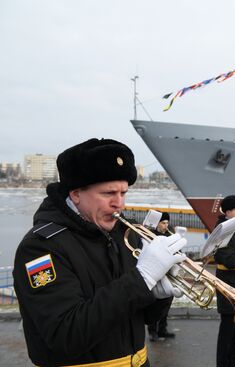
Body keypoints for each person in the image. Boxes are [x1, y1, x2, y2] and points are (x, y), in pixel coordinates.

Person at [13, 138, 187, 367]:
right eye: (108, 193)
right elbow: (65, 336)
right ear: (75, 194)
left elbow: (142, 317)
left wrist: (158, 296)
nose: (119, 204)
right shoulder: (40, 247)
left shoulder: (124, 234)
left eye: (123, 193)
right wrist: (141, 278)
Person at [214, 195, 235, 367]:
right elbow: (228, 260)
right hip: (228, 285)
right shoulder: (221, 231)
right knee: (227, 335)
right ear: (227, 212)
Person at [147, 212, 176, 341]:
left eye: (167, 223)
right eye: (163, 223)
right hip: (154, 273)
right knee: (154, 303)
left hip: (167, 273)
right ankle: (153, 331)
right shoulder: (149, 236)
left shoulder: (170, 236)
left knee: (167, 302)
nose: (166, 226)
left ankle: (162, 329)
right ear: (157, 223)